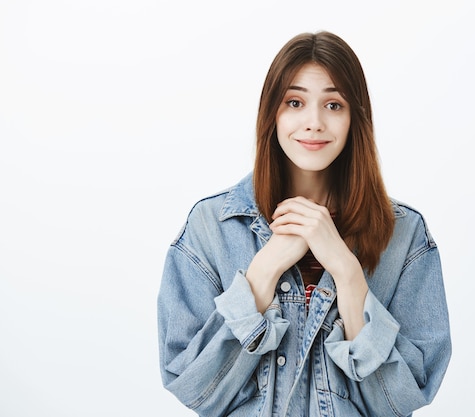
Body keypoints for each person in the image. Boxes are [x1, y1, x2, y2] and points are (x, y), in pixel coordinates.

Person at [157, 30, 451, 417]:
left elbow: (402, 398)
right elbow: (194, 388)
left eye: (334, 105)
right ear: (272, 114)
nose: (313, 123)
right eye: (295, 102)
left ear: (354, 119)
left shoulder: (405, 235)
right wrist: (262, 272)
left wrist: (347, 272)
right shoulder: (211, 227)